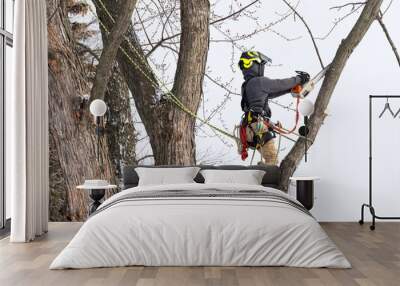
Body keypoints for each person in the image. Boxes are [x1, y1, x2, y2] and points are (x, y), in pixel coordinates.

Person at [238, 51, 310, 165]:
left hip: (250, 128)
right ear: (256, 65)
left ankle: (262, 171)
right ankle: (265, 179)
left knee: (269, 160)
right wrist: (299, 79)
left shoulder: (248, 85)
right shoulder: (259, 81)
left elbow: (273, 92)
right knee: (272, 159)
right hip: (258, 127)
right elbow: (280, 84)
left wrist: (291, 89)